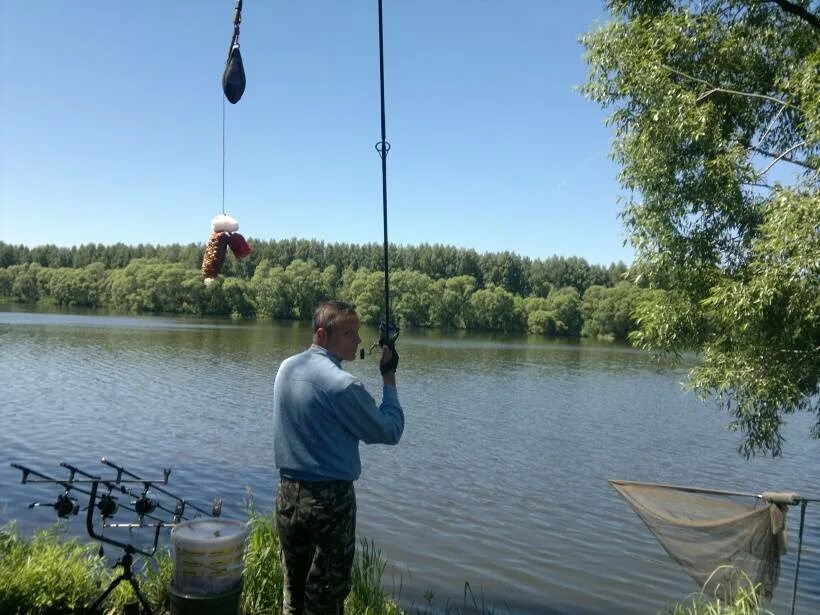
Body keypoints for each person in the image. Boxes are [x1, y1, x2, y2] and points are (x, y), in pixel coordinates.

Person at [272, 300, 404, 614]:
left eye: (357, 332)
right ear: (322, 334)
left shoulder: (286, 368)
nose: (358, 340)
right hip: (329, 503)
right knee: (327, 599)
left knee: (294, 589)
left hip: (287, 496)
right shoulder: (343, 386)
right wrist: (389, 378)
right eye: (349, 333)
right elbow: (390, 431)